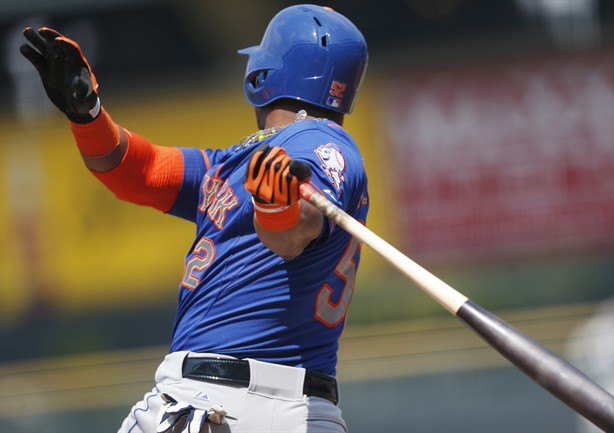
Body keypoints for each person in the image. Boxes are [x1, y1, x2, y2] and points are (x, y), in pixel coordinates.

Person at [20, 4, 369, 433]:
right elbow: (138, 172)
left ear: (264, 73)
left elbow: (293, 230)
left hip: (220, 399)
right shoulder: (231, 164)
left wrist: (280, 208)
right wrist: (88, 114)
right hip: (300, 413)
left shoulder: (316, 139)